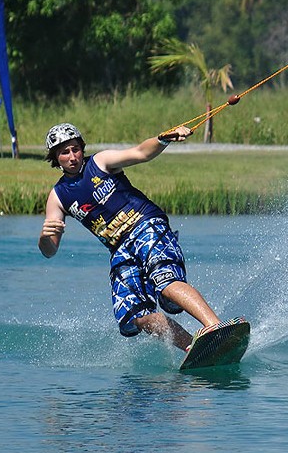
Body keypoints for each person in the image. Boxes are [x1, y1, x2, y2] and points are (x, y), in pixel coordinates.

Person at [38, 121, 223, 354]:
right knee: (135, 315)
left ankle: (214, 326)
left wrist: (162, 139)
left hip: (146, 225)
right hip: (119, 249)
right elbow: (49, 250)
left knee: (164, 280)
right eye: (65, 152)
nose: (73, 156)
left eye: (76, 148)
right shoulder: (58, 196)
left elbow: (140, 153)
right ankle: (193, 348)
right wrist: (45, 237)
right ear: (56, 158)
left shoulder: (100, 162)